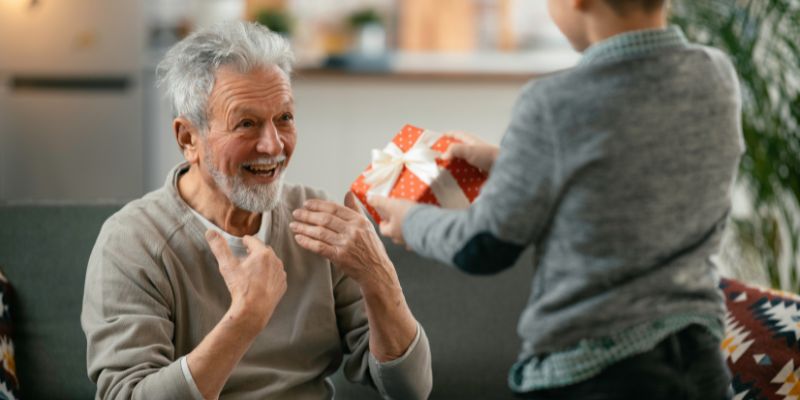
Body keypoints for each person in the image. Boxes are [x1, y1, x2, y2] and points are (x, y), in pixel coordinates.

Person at [370, 0, 743, 398]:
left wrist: (408, 220)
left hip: (596, 376)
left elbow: (484, 245)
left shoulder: (553, 102)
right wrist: (513, 164)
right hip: (700, 366)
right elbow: (636, 170)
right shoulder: (714, 74)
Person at [81, 21, 432, 400]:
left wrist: (379, 276)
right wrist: (245, 318)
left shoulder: (320, 222)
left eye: (284, 118)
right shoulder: (133, 242)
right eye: (246, 124)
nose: (272, 145)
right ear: (188, 138)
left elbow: (410, 389)